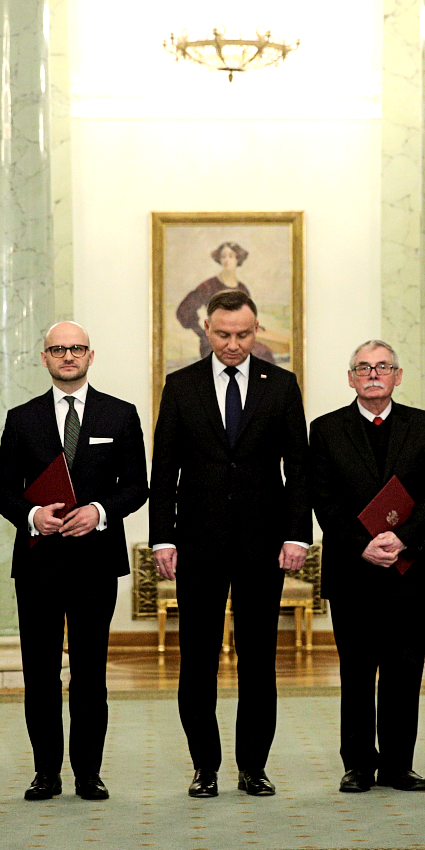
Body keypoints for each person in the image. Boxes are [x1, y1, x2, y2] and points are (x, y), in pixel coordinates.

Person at [150, 289, 312, 798]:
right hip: (197, 543)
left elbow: (299, 467)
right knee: (197, 660)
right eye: (223, 334)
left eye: (243, 334)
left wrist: (297, 534)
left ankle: (253, 767)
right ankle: (205, 767)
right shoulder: (182, 385)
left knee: (258, 660)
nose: (233, 344)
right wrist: (162, 538)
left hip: (263, 544)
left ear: (256, 330)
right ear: (207, 329)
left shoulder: (281, 385)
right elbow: (164, 469)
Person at [0, 321, 148, 801]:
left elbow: (137, 486)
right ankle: (46, 772)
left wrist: (99, 511)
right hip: (38, 562)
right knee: (39, 673)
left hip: (95, 562)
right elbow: (2, 489)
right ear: (44, 357)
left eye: (76, 348)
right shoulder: (21, 418)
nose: (68, 356)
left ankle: (88, 773)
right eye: (58, 349)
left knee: (90, 673)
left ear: (90, 355)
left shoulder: (120, 415)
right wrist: (32, 515)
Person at [309, 341, 425, 793]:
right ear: (350, 378)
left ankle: (399, 765)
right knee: (357, 672)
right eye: (363, 367)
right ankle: (359, 766)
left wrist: (403, 539)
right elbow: (323, 498)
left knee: (404, 671)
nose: (373, 374)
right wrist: (362, 545)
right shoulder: (325, 429)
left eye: (382, 367)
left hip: (410, 567)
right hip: (352, 569)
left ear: (397, 376)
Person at [174, 241, 280, 364]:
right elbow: (184, 310)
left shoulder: (243, 289)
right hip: (215, 342)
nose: (226, 260)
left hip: (240, 340)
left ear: (237, 259)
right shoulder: (209, 286)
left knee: (263, 354)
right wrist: (202, 332)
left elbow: (247, 317)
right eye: (223, 256)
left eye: (231, 256)